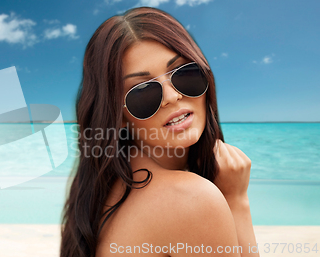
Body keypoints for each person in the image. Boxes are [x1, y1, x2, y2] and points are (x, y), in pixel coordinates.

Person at [60, 6, 259, 257]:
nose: (173, 96)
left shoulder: (100, 189)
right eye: (142, 92)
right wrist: (236, 200)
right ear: (116, 116)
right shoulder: (191, 199)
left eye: (184, 74)